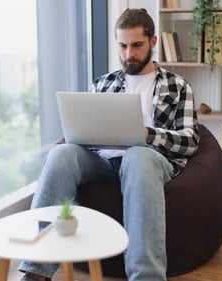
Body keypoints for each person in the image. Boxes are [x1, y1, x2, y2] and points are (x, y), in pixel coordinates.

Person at [19, 8, 200, 281]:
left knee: (138, 156)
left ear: (152, 42)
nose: (129, 54)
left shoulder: (178, 86)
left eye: (137, 45)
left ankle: (146, 276)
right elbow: (81, 132)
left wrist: (148, 135)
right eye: (123, 46)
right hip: (102, 160)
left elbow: (190, 141)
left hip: (148, 159)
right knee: (61, 154)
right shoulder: (103, 83)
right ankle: (36, 271)